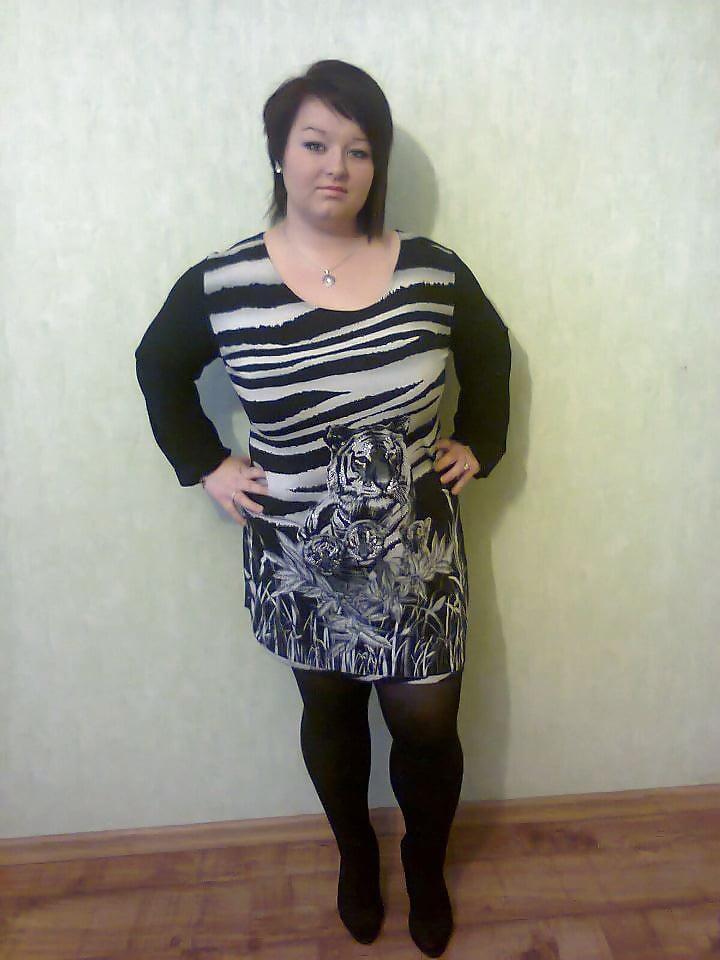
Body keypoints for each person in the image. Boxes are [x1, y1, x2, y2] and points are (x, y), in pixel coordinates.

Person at [135, 59, 511, 958]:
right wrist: (206, 464)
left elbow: (491, 351)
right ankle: (356, 856)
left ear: (377, 164)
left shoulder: (432, 272)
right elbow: (158, 366)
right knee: (333, 714)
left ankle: (425, 867)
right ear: (280, 153)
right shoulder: (225, 282)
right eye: (314, 143)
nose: (336, 166)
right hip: (299, 555)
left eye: (358, 148)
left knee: (427, 725)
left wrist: (480, 440)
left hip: (417, 557)